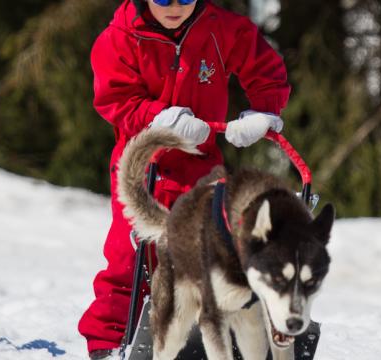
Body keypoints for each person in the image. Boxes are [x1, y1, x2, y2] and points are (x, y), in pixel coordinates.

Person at [77, 0, 290, 358]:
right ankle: (110, 344)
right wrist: (158, 117)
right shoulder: (120, 38)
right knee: (130, 258)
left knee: (212, 255)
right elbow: (115, 98)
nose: (175, 6)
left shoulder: (221, 29)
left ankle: (215, 337)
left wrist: (264, 111)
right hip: (142, 166)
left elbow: (265, 68)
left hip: (201, 168)